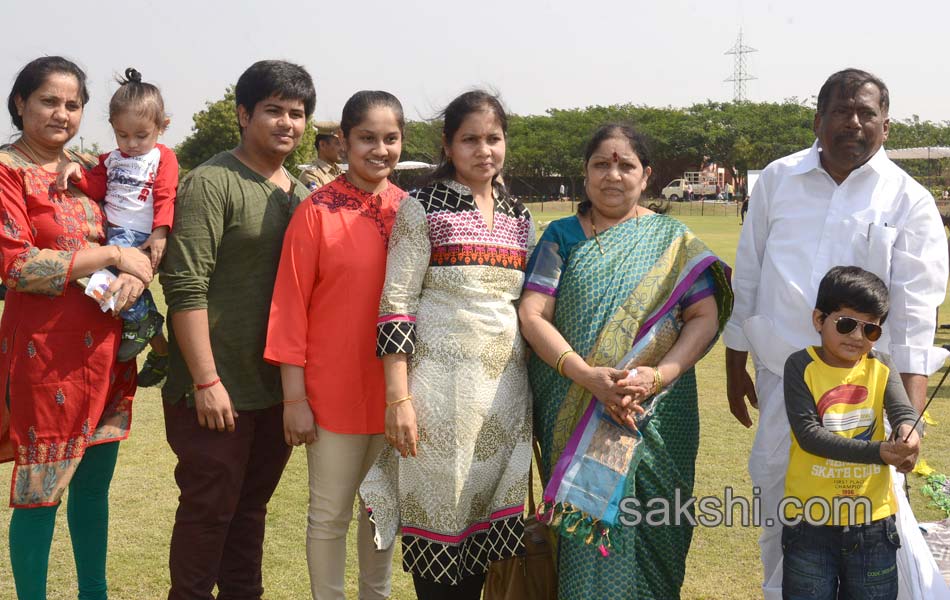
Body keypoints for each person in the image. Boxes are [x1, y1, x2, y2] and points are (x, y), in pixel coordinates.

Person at [725, 68, 950, 600]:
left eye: (867, 113)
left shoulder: (909, 200)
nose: (854, 123)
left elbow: (917, 317)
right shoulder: (778, 180)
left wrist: (909, 423)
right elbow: (751, 272)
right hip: (787, 378)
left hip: (867, 393)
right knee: (779, 500)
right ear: (818, 120)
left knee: (867, 522)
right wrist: (735, 363)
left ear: (886, 126)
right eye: (842, 111)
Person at [518, 123, 732, 599]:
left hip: (658, 413)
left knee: (659, 528)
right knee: (586, 539)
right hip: (577, 409)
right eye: (601, 164)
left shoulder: (672, 239)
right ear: (585, 172)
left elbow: (704, 315)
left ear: (646, 175)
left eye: (625, 165)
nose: (612, 175)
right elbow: (532, 315)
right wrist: (587, 376)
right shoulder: (561, 237)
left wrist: (659, 375)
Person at [359, 90, 534, 600]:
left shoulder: (520, 214)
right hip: (437, 404)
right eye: (470, 139)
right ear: (447, 145)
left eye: (494, 138)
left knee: (487, 544)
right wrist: (399, 399)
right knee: (440, 545)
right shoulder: (422, 207)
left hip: (506, 399)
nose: (484, 150)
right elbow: (395, 305)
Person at [159, 60, 316, 600]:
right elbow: (185, 287)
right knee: (209, 514)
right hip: (213, 387)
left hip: (272, 386)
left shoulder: (299, 194)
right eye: (273, 110)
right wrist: (206, 379)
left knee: (250, 513)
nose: (286, 123)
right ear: (243, 113)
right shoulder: (211, 182)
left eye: (297, 113)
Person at [0, 56, 152, 600]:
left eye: (72, 104)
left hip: (107, 349)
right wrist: (110, 252)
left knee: (93, 492)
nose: (61, 113)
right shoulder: (6, 170)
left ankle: (95, 593)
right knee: (39, 490)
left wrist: (138, 269)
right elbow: (17, 264)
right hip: (45, 355)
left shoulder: (94, 168)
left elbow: (142, 223)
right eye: (48, 101)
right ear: (20, 104)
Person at [264, 90, 407, 600]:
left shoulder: (411, 213)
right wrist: (295, 398)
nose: (380, 149)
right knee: (329, 516)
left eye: (391, 138)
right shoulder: (316, 211)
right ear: (343, 141)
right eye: (367, 138)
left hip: (397, 395)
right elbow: (289, 308)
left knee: (381, 513)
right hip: (330, 395)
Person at [782, 266, 921, 600]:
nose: (858, 337)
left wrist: (909, 435)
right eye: (846, 324)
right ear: (819, 320)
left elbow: (904, 412)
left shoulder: (882, 366)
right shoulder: (799, 366)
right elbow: (809, 435)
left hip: (874, 525)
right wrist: (878, 452)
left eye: (871, 329)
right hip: (810, 521)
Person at [55, 67, 176, 387]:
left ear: (162, 127)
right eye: (123, 135)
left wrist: (161, 231)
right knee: (93, 283)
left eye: (141, 135)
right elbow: (97, 188)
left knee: (99, 282)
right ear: (113, 128)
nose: (132, 143)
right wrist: (76, 173)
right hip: (112, 234)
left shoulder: (163, 157)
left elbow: (166, 194)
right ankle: (148, 325)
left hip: (138, 235)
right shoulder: (110, 159)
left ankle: (143, 325)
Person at [298, 121, 343, 191]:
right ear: (322, 145)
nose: (343, 148)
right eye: (338, 143)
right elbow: (319, 201)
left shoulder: (342, 173)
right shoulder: (310, 175)